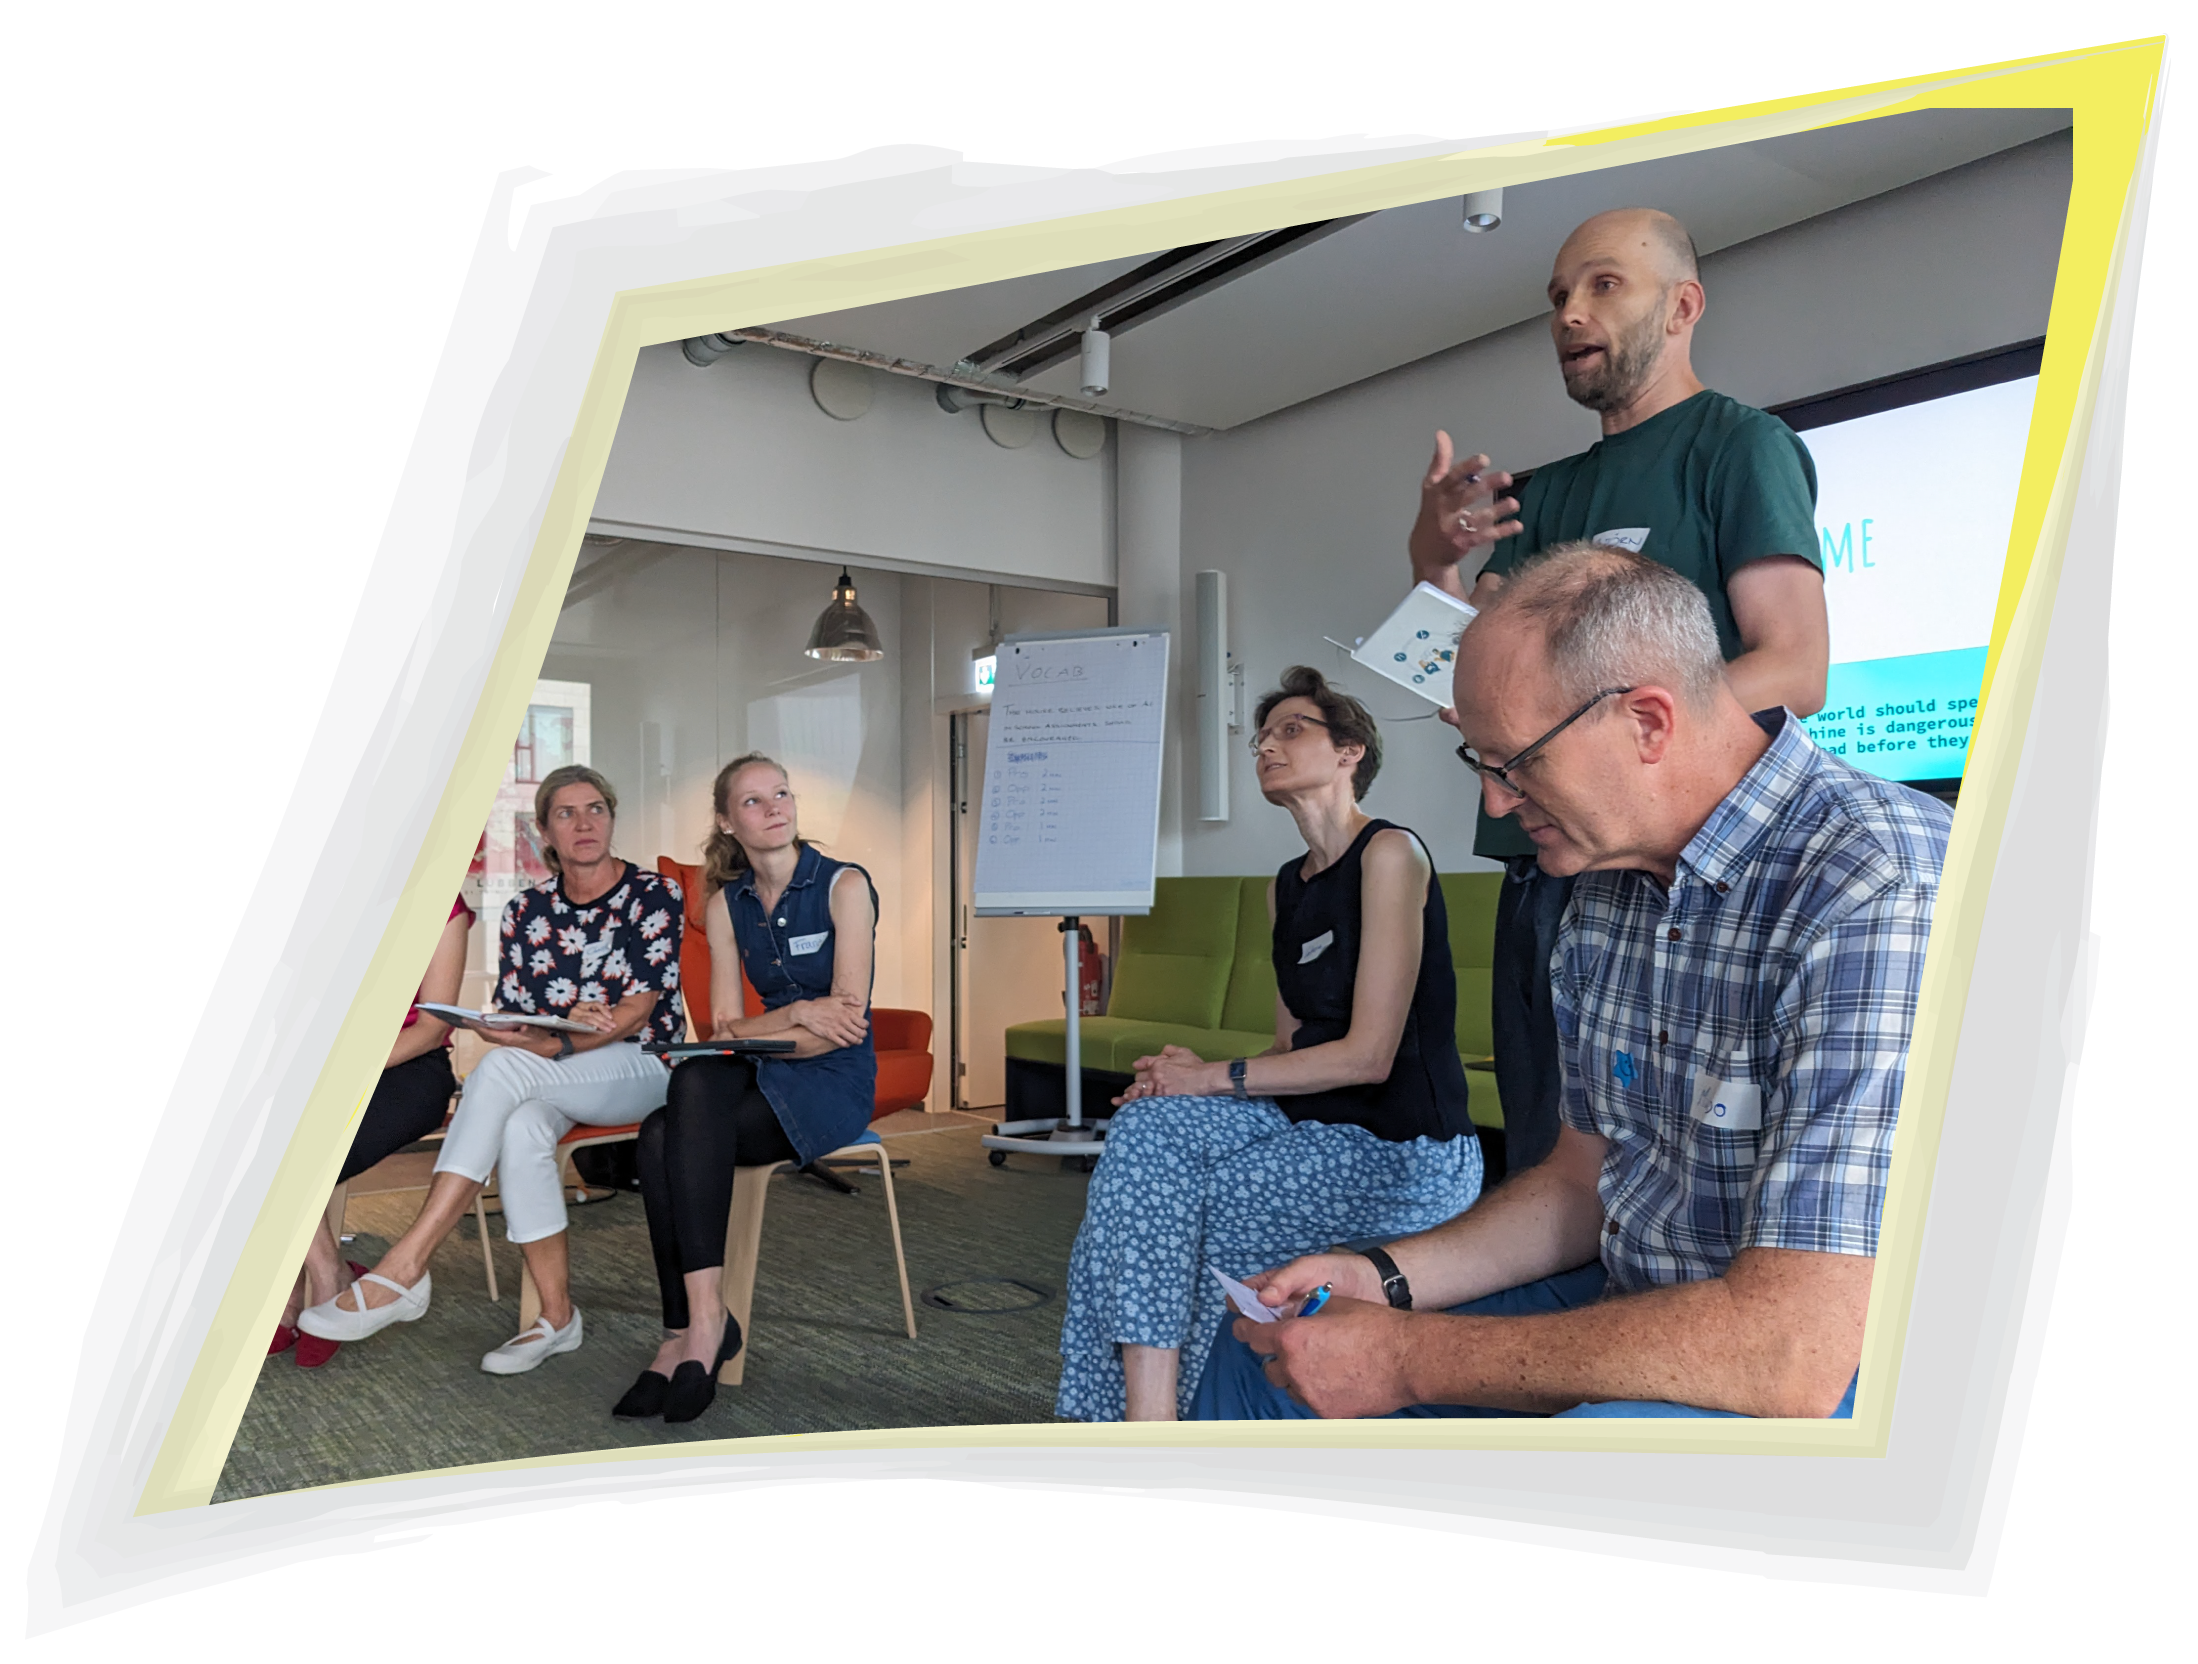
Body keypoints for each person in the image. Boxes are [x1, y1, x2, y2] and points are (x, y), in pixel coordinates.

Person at [1193, 545, 1950, 1421]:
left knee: (1582, 1450)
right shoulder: (1602, 890)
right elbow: (1580, 1182)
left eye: (1514, 764)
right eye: (1476, 765)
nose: (1495, 806)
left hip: (1839, 1366)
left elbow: (1791, 1354)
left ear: (1649, 724)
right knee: (1273, 1358)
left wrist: (1408, 1359)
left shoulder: (1876, 884)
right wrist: (1382, 1279)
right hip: (1639, 1300)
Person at [1409, 207, 1829, 1177]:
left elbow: (1793, 661)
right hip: (1538, 866)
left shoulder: (1736, 447)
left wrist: (1592, 745)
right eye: (1557, 295)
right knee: (1539, 1155)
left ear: (1681, 305)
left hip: (1666, 874)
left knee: (1672, 1169)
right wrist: (1429, 555)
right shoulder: (1543, 493)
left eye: (1602, 284)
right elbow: (1462, 672)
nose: (1568, 311)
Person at [1055, 667, 1484, 1423]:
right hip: (1315, 1127)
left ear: (1350, 751)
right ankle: (1153, 1429)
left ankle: (1148, 1425)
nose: (1267, 749)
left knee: (1166, 1213)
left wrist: (1210, 1078)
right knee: (1145, 1135)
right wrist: (1187, 1074)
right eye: (1260, 739)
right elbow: (1289, 1050)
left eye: (1292, 731)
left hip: (1407, 1150)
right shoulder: (1282, 888)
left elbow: (1367, 1057)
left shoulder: (1392, 854)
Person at [298, 765, 685, 1376]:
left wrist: (565, 1040)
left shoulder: (654, 893)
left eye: (595, 810)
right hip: (552, 1068)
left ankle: (406, 1267)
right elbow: (524, 1018)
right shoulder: (526, 910)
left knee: (503, 1073)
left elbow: (638, 1012)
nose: (583, 824)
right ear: (544, 831)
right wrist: (506, 1030)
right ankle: (557, 1318)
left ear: (612, 817)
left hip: (643, 1063)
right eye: (566, 814)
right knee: (521, 1126)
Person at [612, 753, 879, 1424]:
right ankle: (697, 1325)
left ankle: (691, 1332)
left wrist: (778, 1026)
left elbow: (842, 1027)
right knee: (670, 1114)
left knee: (679, 1109)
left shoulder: (844, 886)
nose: (775, 808)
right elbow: (724, 1027)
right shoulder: (726, 903)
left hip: (830, 1084)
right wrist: (792, 1012)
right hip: (761, 1069)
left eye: (781, 794)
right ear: (728, 820)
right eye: (754, 802)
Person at [269, 896, 474, 1369]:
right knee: (264, 1128)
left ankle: (307, 1284)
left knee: (296, 1147)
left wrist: (348, 1068)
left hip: (409, 1066)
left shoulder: (443, 904)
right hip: (325, 1069)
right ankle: (327, 1271)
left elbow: (432, 1027)